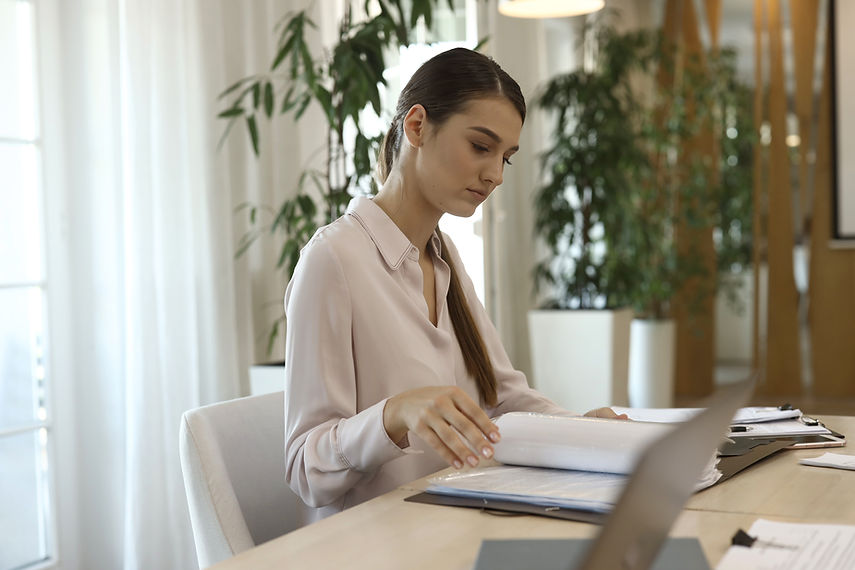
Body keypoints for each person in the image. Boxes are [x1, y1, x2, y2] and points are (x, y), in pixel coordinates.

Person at [284, 47, 624, 521]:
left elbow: (502, 397)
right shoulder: (333, 260)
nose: (495, 175)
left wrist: (587, 430)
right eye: (481, 147)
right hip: (378, 539)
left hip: (457, 521)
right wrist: (393, 414)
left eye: (506, 158)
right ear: (417, 126)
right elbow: (306, 469)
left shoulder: (444, 259)